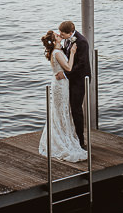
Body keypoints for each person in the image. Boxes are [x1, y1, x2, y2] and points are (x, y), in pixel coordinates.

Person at [37, 30, 88, 162]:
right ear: (54, 41)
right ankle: (61, 138)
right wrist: (72, 53)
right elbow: (69, 68)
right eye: (57, 36)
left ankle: (61, 134)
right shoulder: (57, 53)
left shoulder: (57, 50)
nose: (59, 35)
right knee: (61, 111)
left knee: (60, 111)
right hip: (60, 85)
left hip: (61, 84)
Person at [55, 20, 91, 149]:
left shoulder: (81, 42)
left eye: (62, 34)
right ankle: (70, 135)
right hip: (70, 78)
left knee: (76, 109)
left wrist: (65, 74)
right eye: (60, 33)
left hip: (80, 79)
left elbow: (81, 64)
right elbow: (67, 54)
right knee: (68, 107)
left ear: (70, 33)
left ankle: (81, 140)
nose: (60, 35)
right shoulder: (68, 39)